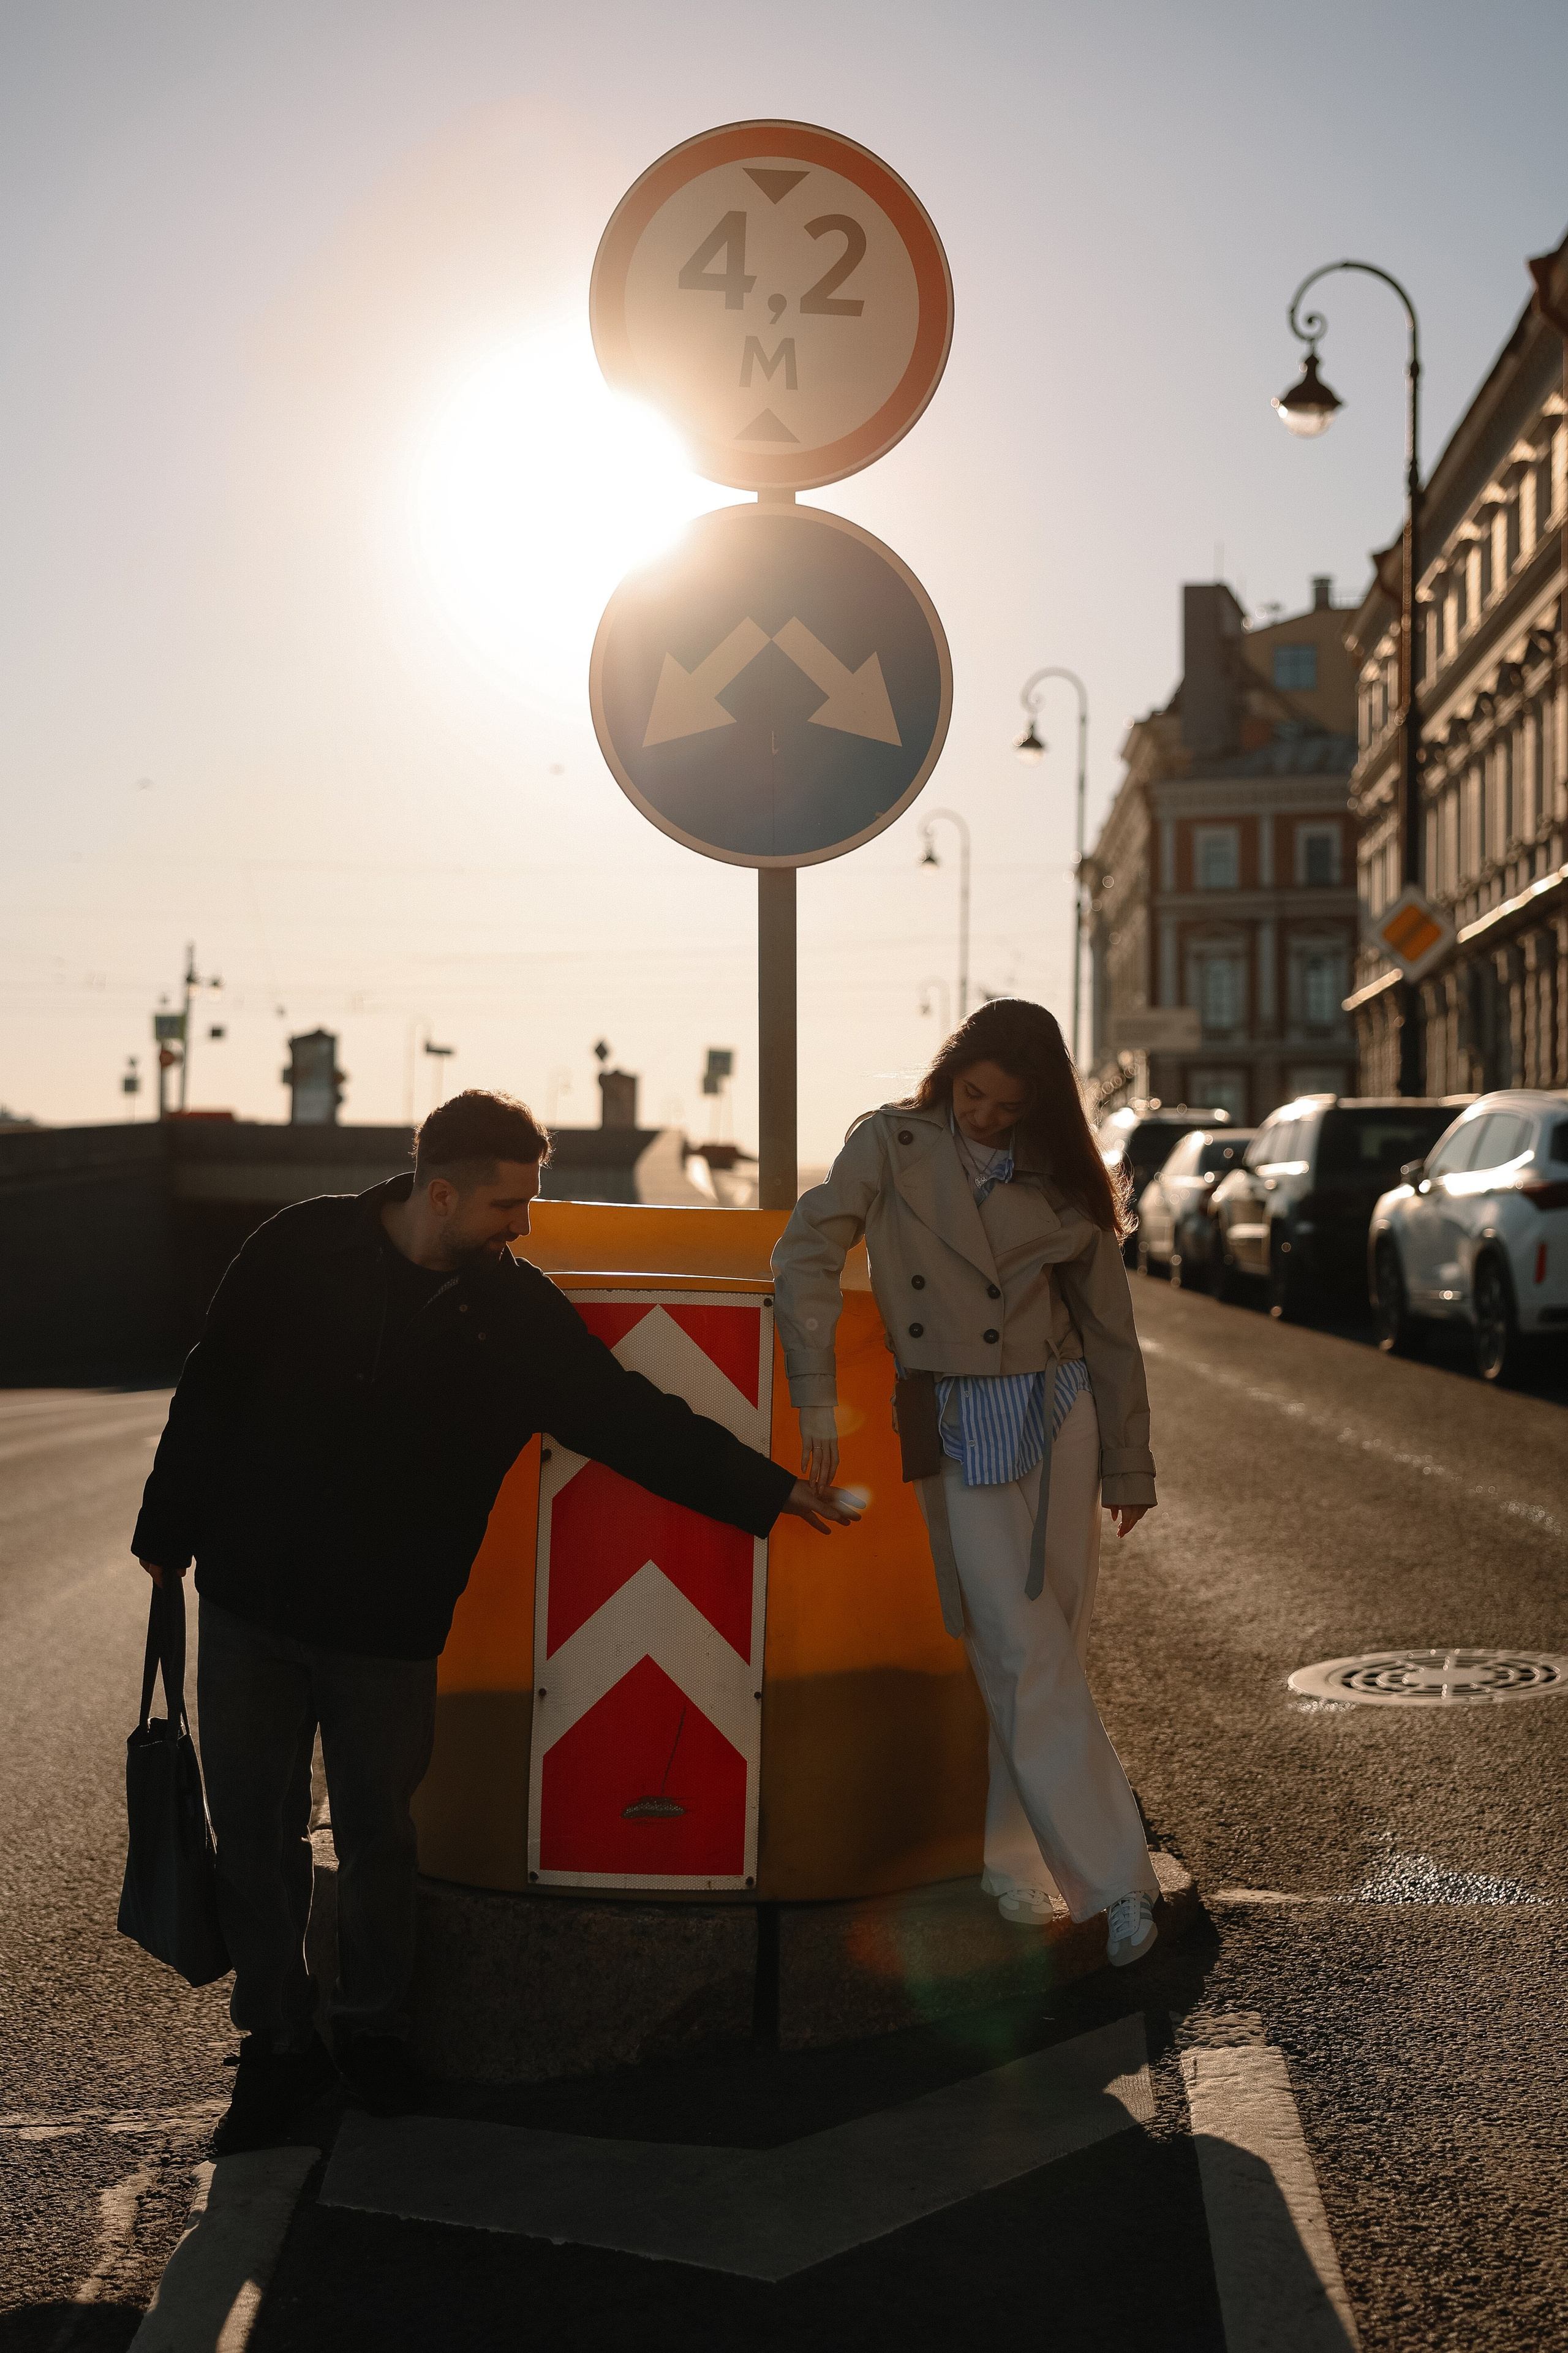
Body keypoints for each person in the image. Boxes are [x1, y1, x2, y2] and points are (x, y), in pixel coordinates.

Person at [133, 1088, 858, 2154]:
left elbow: (624, 1419)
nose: (524, 1225)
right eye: (507, 1205)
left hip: (389, 1628)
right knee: (254, 1840)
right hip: (250, 1602)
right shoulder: (299, 1247)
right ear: (440, 1191)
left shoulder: (512, 1312)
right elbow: (212, 1387)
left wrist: (768, 1490)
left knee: (380, 1839)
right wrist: (168, 1528)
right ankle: (277, 2047)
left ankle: (372, 2035)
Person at [772, 1000, 1162, 1968]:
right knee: (1024, 1649)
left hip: (1061, 1411)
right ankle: (1118, 1883)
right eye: (971, 1093)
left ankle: (1018, 1864)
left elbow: (1110, 1328)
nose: (982, 1116)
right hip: (956, 1416)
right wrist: (814, 1395)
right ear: (949, 1072)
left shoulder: (1067, 1177)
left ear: (1041, 1106)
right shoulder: (890, 1143)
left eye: (1005, 1105)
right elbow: (805, 1252)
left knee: (1042, 1648)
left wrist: (1129, 1461)